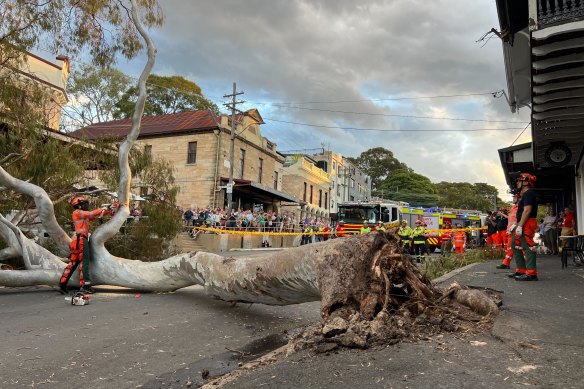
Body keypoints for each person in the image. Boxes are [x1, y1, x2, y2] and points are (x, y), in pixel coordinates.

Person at [59, 196, 109, 294]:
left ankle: (62, 284)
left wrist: (108, 210)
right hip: (81, 241)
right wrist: (103, 209)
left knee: (73, 264)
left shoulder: (82, 215)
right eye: (84, 203)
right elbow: (92, 213)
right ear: (79, 205)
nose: (86, 205)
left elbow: (94, 216)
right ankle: (85, 286)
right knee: (84, 262)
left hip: (78, 241)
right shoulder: (77, 212)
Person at [510, 172, 539, 281]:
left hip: (527, 222)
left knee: (528, 246)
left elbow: (527, 210)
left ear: (526, 182)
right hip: (523, 222)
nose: (517, 183)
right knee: (515, 244)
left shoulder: (529, 193)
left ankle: (532, 274)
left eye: (519, 181)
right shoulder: (525, 195)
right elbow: (523, 212)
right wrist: (517, 224)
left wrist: (520, 225)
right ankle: (520, 270)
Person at [496, 194, 520, 269]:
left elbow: (519, 218)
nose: (513, 198)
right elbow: (510, 219)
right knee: (510, 248)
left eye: (515, 197)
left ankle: (526, 267)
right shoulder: (513, 208)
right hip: (511, 231)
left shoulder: (520, 207)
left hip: (516, 231)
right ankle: (506, 263)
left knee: (519, 248)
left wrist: (516, 227)